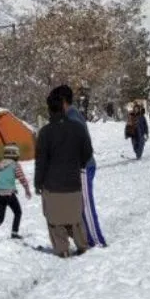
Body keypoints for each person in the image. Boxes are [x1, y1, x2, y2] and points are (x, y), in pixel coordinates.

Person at [35, 89, 93, 258]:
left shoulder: (45, 133)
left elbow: (41, 162)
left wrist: (38, 183)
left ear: (49, 110)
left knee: (54, 220)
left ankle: (62, 249)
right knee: (75, 218)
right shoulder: (77, 128)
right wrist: (78, 164)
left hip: (52, 185)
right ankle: (82, 245)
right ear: (63, 107)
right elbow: (87, 152)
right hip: (73, 183)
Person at [55, 84, 106, 248]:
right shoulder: (69, 116)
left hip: (83, 166)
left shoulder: (72, 116)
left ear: (63, 101)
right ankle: (88, 239)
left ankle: (97, 241)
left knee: (86, 205)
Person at [0, 145, 32, 241]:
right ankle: (14, 233)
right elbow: (22, 178)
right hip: (9, 194)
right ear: (15, 155)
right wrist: (27, 189)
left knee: (0, 217)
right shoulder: (15, 165)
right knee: (18, 212)